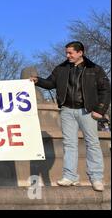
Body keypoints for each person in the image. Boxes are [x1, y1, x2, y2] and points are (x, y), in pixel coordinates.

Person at [31, 41, 110, 192]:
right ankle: (70, 176)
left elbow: (106, 90)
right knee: (69, 144)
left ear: (80, 53)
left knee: (92, 143)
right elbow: (50, 83)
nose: (68, 56)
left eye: (70, 53)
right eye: (67, 53)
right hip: (67, 110)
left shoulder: (95, 69)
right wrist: (38, 80)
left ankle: (96, 178)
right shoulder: (61, 68)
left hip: (87, 111)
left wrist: (100, 109)